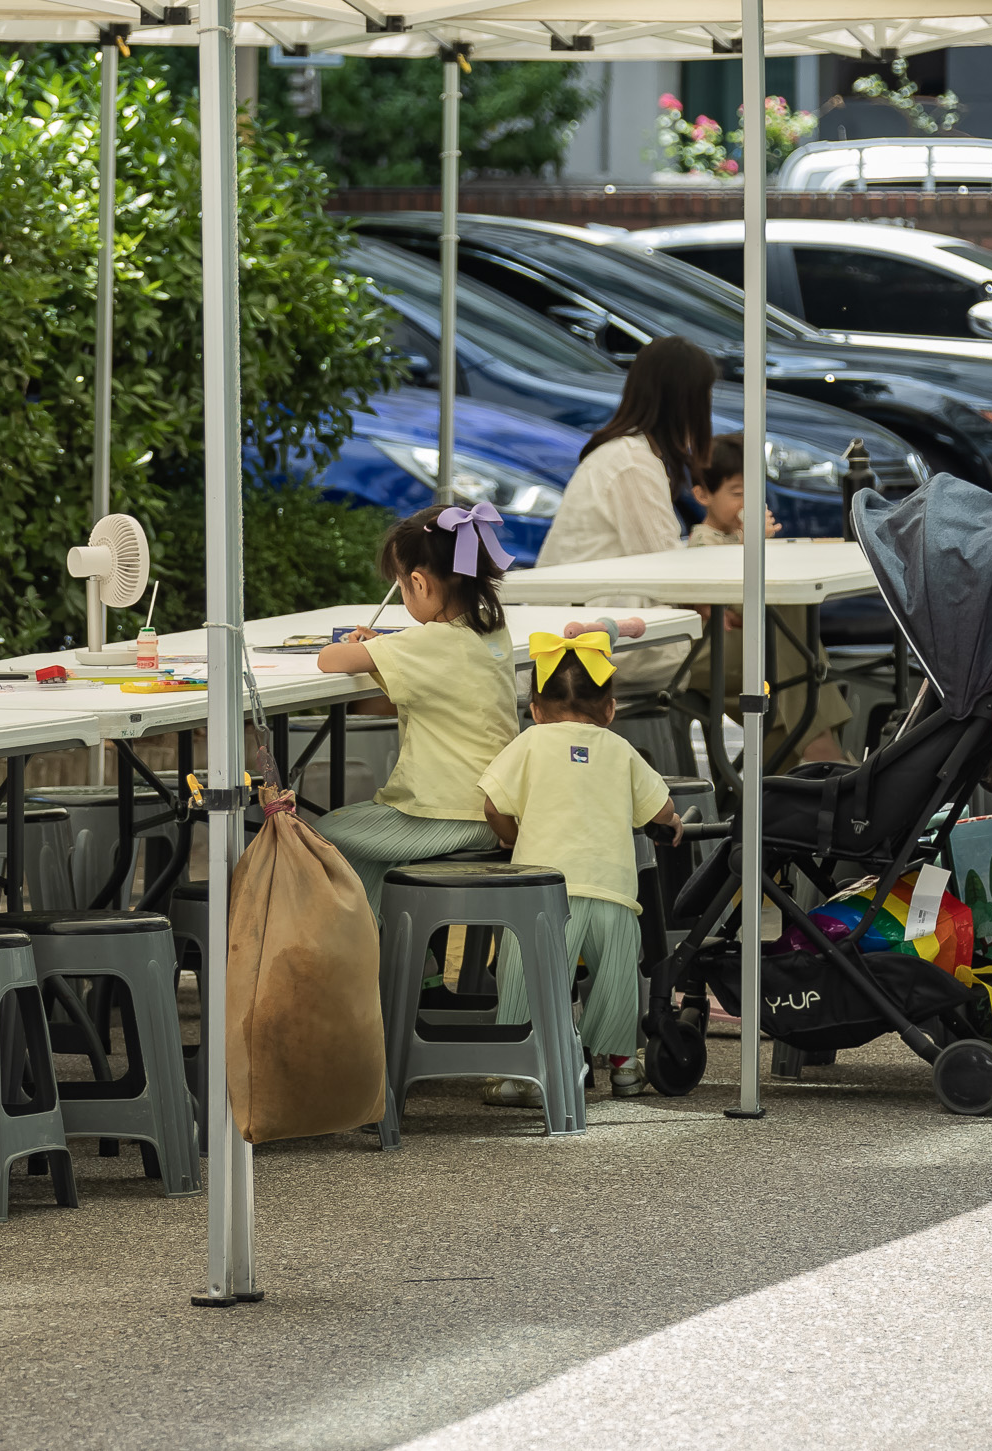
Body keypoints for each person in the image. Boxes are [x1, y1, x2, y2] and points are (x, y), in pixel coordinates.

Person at [477, 631, 685, 1102]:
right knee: (616, 979)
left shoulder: (530, 743)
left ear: (534, 708)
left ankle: (518, 1072)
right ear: (611, 709)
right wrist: (673, 823)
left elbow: (492, 803)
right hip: (611, 891)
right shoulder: (621, 750)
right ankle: (625, 1067)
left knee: (526, 972)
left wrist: (512, 837)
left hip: (542, 890)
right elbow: (661, 809)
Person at [312, 504, 519, 897]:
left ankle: (366, 947)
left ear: (420, 584)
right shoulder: (493, 631)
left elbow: (330, 659)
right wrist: (387, 649)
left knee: (320, 835)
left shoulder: (429, 642)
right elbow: (440, 679)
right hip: (495, 811)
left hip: (444, 815)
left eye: (402, 585)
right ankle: (393, 940)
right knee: (357, 833)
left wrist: (356, 644)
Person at [536, 335, 714, 693]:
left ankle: (813, 745)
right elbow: (666, 571)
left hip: (601, 627)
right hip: (612, 640)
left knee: (776, 656)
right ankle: (817, 746)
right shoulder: (631, 463)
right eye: (704, 395)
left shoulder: (626, 454)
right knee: (770, 656)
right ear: (685, 400)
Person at [681, 434, 852, 767]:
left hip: (748, 647)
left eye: (755, 492)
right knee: (783, 627)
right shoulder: (705, 541)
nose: (748, 502)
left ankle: (802, 764)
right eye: (737, 494)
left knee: (783, 638)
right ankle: (821, 749)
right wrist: (752, 548)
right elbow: (734, 603)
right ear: (702, 495)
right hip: (711, 650)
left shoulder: (736, 538)